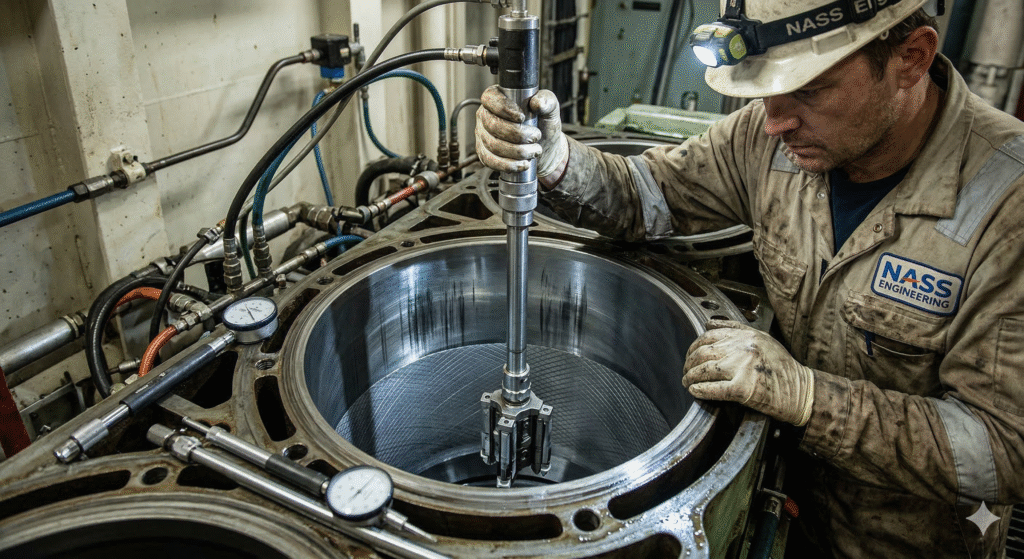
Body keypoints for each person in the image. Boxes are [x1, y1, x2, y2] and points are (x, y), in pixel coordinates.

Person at [475, 0, 1024, 557]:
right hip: (784, 501)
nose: (774, 122)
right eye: (764, 92)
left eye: (808, 91)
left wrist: (809, 398)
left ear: (912, 58)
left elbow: (1006, 449)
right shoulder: (764, 141)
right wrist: (558, 161)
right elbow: (650, 195)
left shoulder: (1008, 204)